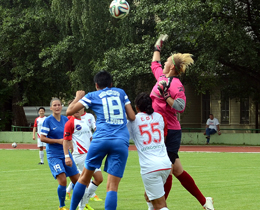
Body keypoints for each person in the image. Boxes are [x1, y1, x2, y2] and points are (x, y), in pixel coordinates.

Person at [150, 34, 214, 210]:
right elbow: (154, 63)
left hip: (170, 131)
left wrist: (166, 96)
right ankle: (204, 201)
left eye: (165, 63)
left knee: (167, 170)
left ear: (171, 67)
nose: (162, 65)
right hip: (159, 130)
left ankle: (160, 207)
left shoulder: (176, 85)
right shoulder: (162, 78)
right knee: (176, 170)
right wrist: (158, 46)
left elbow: (180, 106)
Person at [66, 70, 136, 210]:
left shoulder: (92, 95)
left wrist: (78, 97)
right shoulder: (121, 92)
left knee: (84, 177)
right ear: (111, 84)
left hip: (101, 139)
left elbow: (69, 111)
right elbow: (132, 117)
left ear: (96, 85)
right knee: (113, 186)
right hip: (120, 140)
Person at [127, 92, 172, 210]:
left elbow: (125, 139)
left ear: (136, 107)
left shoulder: (134, 120)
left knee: (160, 205)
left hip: (150, 167)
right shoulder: (159, 117)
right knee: (149, 197)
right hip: (165, 164)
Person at [40, 98, 80, 210]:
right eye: (55, 105)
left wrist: (71, 145)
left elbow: (68, 135)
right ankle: (62, 206)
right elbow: (42, 138)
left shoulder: (65, 119)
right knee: (62, 179)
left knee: (77, 181)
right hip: (53, 155)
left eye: (59, 105)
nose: (57, 107)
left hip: (66, 153)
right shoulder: (47, 121)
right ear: (51, 108)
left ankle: (81, 204)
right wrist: (58, 141)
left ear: (61, 107)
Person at [63, 107, 102, 210]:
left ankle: (83, 203)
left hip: (91, 154)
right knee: (84, 181)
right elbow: (65, 140)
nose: (77, 110)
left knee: (99, 179)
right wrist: (67, 156)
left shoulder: (84, 121)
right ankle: (81, 206)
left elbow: (91, 138)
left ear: (82, 109)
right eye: (74, 108)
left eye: (79, 108)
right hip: (80, 155)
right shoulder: (70, 122)